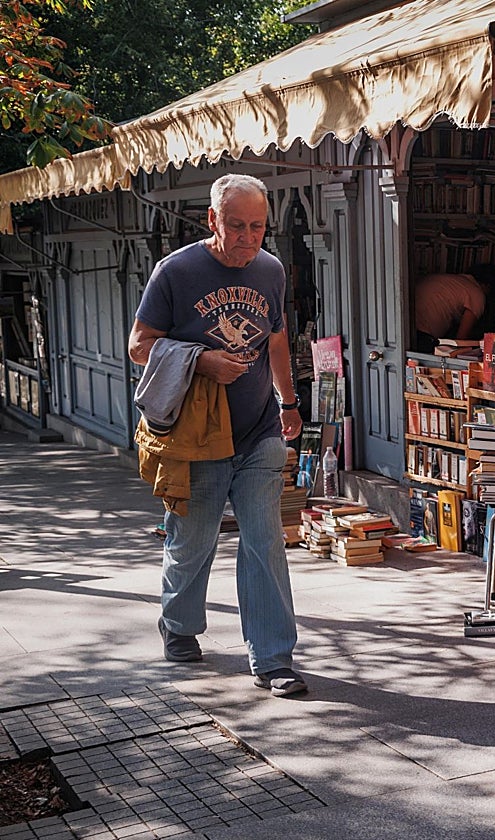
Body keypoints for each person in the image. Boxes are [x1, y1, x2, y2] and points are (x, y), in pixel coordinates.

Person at [128, 173, 307, 698]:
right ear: (213, 220)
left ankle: (273, 657)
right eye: (237, 226)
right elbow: (140, 345)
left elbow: (276, 338)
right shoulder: (176, 271)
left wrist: (289, 400)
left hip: (257, 431)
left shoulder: (270, 269)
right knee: (192, 540)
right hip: (198, 435)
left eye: (258, 227)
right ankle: (179, 626)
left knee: (264, 543)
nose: (249, 237)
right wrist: (201, 360)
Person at [413, 263, 495, 352]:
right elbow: (460, 341)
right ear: (488, 286)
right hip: (422, 336)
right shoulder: (477, 294)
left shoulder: (456, 281)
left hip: (405, 329)